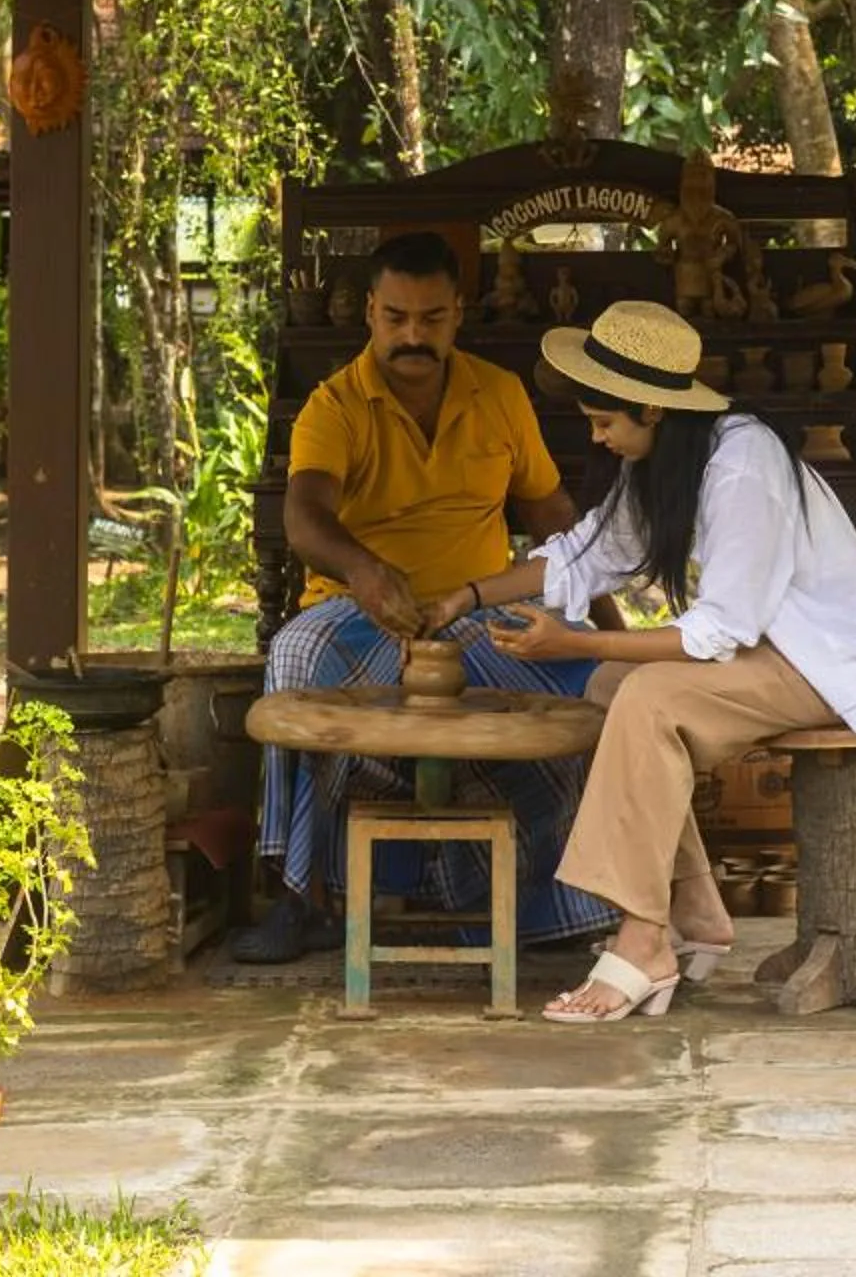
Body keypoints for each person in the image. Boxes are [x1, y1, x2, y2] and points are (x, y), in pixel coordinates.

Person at [434, 300, 856, 1022]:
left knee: (648, 697)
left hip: (830, 663)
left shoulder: (741, 466)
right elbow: (583, 555)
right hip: (766, 652)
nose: (597, 439)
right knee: (609, 690)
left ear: (652, 411)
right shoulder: (670, 458)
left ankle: (643, 938)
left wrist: (575, 640)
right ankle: (695, 905)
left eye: (604, 422)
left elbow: (715, 631)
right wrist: (464, 596)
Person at [236, 231, 614, 963]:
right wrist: (365, 572)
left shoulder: (500, 394)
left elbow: (553, 521)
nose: (414, 335)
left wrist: (609, 629)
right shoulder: (334, 404)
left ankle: (547, 908)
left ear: (458, 313)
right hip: (359, 614)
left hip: (479, 611)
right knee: (293, 654)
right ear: (370, 313)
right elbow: (304, 517)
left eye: (432, 318)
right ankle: (300, 898)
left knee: (590, 693)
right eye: (397, 317)